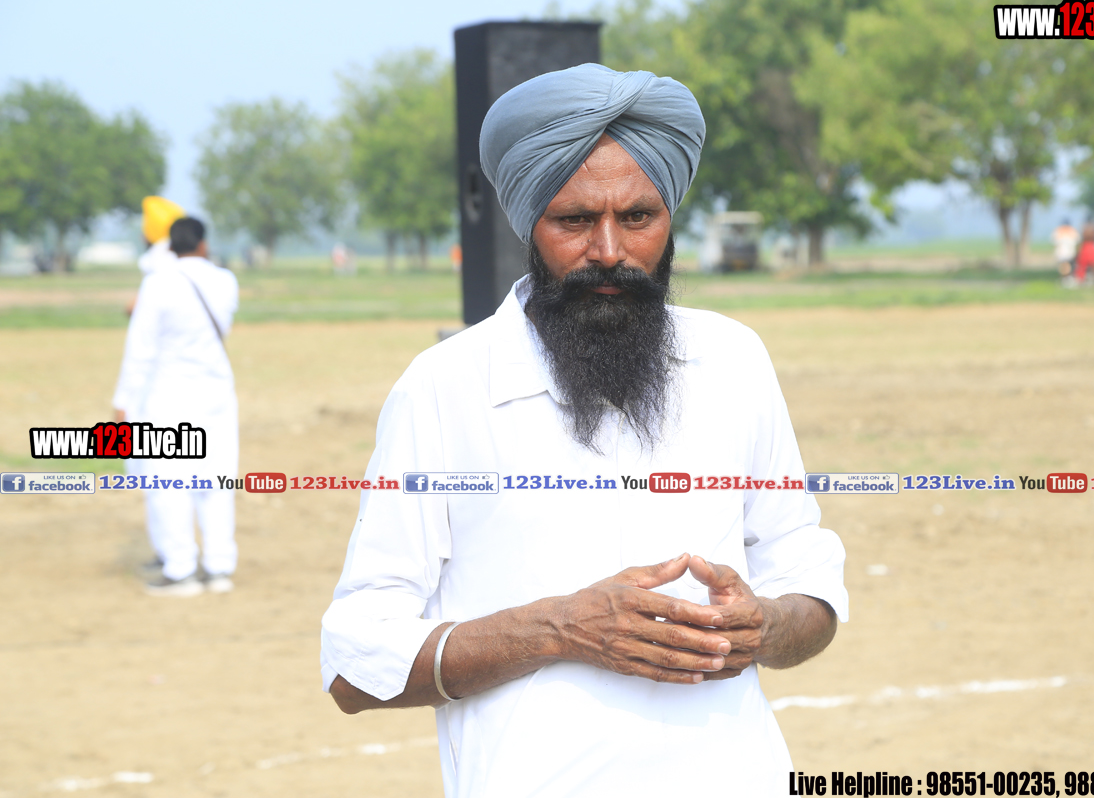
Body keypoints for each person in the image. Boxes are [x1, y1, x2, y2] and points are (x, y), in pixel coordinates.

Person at [320, 64, 848, 797]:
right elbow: (354, 667)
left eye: (638, 217)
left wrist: (765, 626)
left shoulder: (733, 360)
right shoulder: (444, 388)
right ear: (529, 225)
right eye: (573, 221)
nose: (608, 250)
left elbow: (807, 582)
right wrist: (561, 629)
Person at [112, 217, 240, 597]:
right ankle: (219, 568)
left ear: (169, 246)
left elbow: (140, 349)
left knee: (170, 483)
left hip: (168, 397)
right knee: (216, 480)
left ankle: (181, 569)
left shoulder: (158, 283)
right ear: (203, 244)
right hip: (216, 394)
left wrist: (122, 401)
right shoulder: (226, 281)